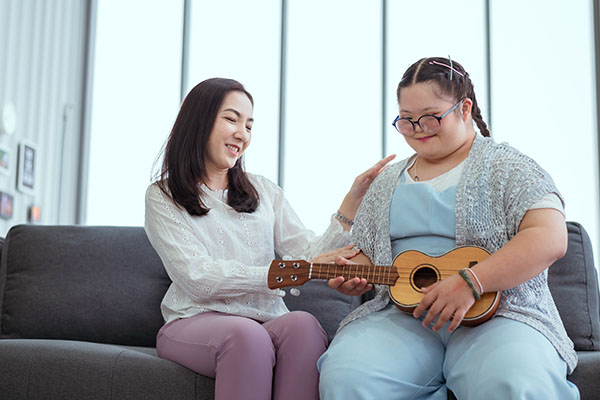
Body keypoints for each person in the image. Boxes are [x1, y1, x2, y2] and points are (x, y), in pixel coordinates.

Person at [318, 57, 580, 399]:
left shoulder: (508, 166)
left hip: (500, 313)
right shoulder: (384, 184)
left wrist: (473, 281)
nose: (418, 129)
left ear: (464, 108)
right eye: (407, 121)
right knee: (347, 377)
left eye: (430, 116)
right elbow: (368, 255)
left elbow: (550, 238)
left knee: (513, 380)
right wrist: (355, 275)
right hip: (401, 317)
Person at [144, 77, 394, 400]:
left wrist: (352, 201)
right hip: (193, 321)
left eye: (248, 125)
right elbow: (197, 277)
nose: (242, 134)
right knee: (247, 336)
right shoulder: (162, 196)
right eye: (232, 119)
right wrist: (284, 271)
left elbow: (308, 252)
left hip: (264, 321)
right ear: (200, 120)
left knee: (303, 326)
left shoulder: (263, 191)